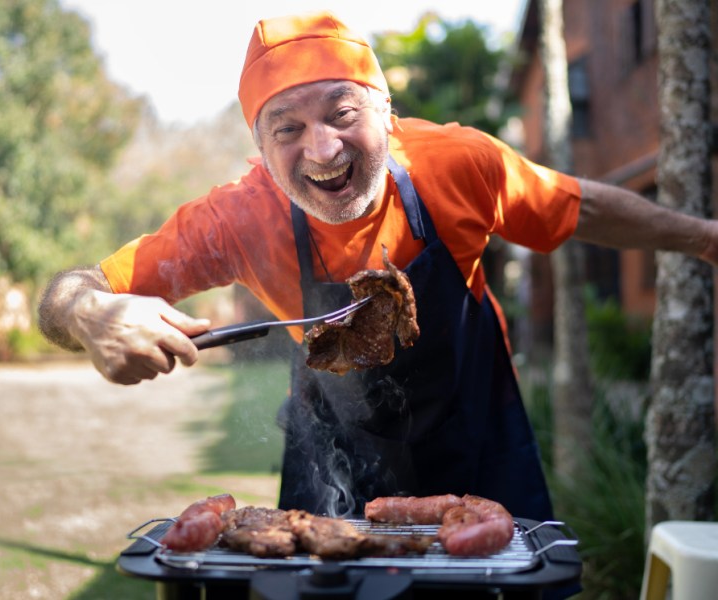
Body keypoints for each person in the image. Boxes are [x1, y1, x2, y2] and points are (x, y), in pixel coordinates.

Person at [39, 11, 718, 523]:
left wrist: (706, 238)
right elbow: (71, 289)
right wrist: (89, 312)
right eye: (288, 129)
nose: (323, 148)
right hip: (333, 457)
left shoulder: (457, 164)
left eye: (342, 112)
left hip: (476, 435)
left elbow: (585, 208)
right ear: (260, 146)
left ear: (385, 112)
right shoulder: (236, 220)